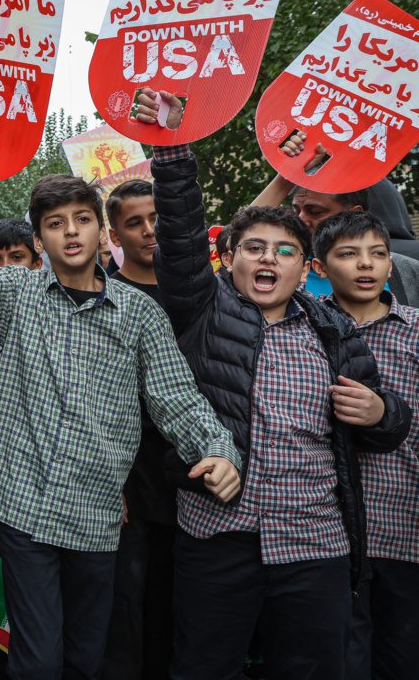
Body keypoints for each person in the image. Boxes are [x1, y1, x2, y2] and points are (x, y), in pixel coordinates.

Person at [0, 120, 242, 680]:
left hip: (98, 513)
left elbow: (177, 399)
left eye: (81, 220)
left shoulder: (139, 314)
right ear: (39, 238)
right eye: (55, 224)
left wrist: (220, 450)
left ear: (102, 232)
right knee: (38, 659)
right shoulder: (14, 294)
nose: (70, 233)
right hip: (22, 505)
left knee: (86, 657)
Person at [136, 88, 412, 680]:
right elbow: (181, 241)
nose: (269, 260)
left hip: (316, 545)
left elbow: (389, 427)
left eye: (285, 250)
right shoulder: (204, 311)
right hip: (219, 536)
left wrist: (380, 412)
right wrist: (172, 148)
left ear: (305, 267)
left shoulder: (336, 330)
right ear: (230, 260)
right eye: (254, 248)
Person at [310, 212, 419, 680]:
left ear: (391, 265)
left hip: (406, 528)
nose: (366, 266)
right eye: (349, 255)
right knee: (341, 660)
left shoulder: (415, 329)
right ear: (319, 268)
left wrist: (382, 414)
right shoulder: (307, 331)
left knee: (403, 658)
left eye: (377, 254)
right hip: (331, 536)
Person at [100, 178, 176, 680]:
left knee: (174, 610)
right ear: (114, 234)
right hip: (125, 484)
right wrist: (111, 482)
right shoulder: (104, 298)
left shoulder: (198, 289)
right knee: (124, 611)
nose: (149, 231)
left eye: (157, 219)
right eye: (134, 223)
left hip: (188, 480)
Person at [249, 136, 419, 304]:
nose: (301, 220)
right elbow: (238, 236)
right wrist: (289, 174)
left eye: (315, 211)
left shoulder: (407, 272)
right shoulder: (281, 267)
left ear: (354, 214)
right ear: (317, 267)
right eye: (296, 210)